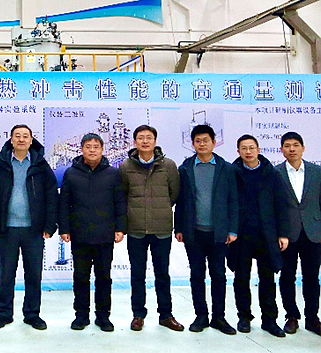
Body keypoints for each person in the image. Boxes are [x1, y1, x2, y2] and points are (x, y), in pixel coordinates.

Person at [0, 124, 58, 331]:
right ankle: (4, 313)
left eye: (25, 136)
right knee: (6, 274)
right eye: (17, 136)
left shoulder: (41, 165)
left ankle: (32, 314)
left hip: (33, 230)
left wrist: (49, 225)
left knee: (33, 274)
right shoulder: (0, 165)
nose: (21, 139)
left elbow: (52, 196)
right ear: (11, 140)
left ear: (31, 140)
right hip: (7, 229)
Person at [174, 124, 239, 335]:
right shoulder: (185, 168)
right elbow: (181, 201)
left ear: (214, 142)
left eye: (206, 140)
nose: (202, 144)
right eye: (198, 141)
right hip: (194, 232)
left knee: (218, 275)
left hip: (219, 233)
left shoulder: (226, 168)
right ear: (193, 144)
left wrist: (232, 229)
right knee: (197, 275)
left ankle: (219, 317)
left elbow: (233, 200)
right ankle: (201, 315)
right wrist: (179, 227)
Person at [119, 125, 183, 332]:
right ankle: (138, 315)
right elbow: (123, 196)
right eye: (140, 138)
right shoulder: (126, 166)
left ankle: (166, 315)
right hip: (136, 229)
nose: (145, 141)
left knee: (162, 274)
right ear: (134, 142)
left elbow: (174, 194)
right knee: (137, 275)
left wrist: (160, 209)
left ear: (155, 141)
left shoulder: (169, 165)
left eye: (149, 138)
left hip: (161, 228)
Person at [60, 133, 126, 332]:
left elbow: (120, 203)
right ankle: (81, 316)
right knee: (81, 277)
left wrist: (120, 228)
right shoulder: (71, 173)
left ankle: (103, 316)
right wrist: (64, 228)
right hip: (80, 234)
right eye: (88, 146)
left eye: (96, 147)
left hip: (105, 235)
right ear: (81, 150)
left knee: (104, 278)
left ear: (102, 150)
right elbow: (64, 204)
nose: (92, 150)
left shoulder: (113, 174)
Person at [229, 134, 290, 337]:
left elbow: (281, 205)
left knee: (267, 279)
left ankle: (269, 320)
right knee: (241, 278)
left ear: (258, 150)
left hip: (266, 234)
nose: (248, 152)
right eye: (244, 148)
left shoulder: (271, 173)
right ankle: (244, 317)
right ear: (238, 151)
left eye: (251, 148)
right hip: (241, 235)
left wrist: (283, 233)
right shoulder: (232, 173)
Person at [276, 131, 321, 336]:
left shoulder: (316, 172)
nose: (291, 149)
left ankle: (312, 318)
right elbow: (274, 206)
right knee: (287, 276)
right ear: (281, 149)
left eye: (295, 145)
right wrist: (279, 232)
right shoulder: (276, 173)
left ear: (303, 148)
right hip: (287, 234)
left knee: (312, 277)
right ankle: (291, 316)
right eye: (287, 145)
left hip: (313, 232)